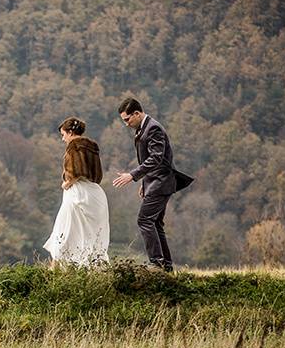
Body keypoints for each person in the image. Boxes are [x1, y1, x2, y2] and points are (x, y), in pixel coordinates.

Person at [112, 98, 193, 272]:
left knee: (145, 220)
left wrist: (132, 175)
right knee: (155, 223)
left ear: (137, 113)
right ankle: (166, 267)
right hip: (154, 182)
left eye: (128, 119)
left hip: (161, 182)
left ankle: (156, 264)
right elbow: (152, 159)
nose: (126, 124)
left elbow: (156, 158)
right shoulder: (143, 127)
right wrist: (144, 182)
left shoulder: (153, 128)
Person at [43, 117, 110, 267]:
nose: (63, 139)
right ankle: (88, 267)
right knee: (90, 234)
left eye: (63, 134)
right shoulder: (93, 147)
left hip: (78, 194)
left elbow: (77, 171)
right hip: (94, 193)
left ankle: (55, 269)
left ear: (71, 132)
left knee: (64, 231)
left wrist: (67, 183)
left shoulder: (74, 146)